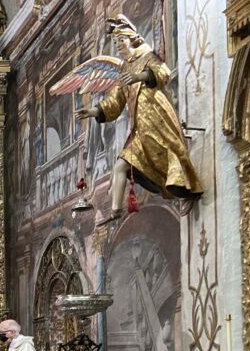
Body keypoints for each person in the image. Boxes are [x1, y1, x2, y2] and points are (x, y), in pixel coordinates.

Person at [74, 15, 203, 224]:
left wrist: (140, 76)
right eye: (114, 43)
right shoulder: (124, 69)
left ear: (130, 39)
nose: (117, 46)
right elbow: (115, 101)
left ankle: (187, 189)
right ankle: (116, 210)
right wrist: (94, 112)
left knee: (171, 152)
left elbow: (164, 73)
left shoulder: (146, 56)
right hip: (140, 126)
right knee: (121, 165)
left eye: (120, 41)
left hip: (158, 116)